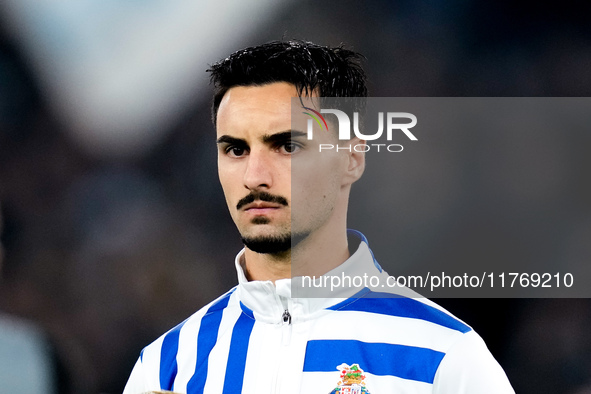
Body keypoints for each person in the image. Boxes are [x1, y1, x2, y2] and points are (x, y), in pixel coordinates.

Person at [123, 40, 514, 393]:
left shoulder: (445, 359)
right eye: (236, 150)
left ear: (352, 158)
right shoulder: (164, 368)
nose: (254, 176)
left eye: (287, 145)